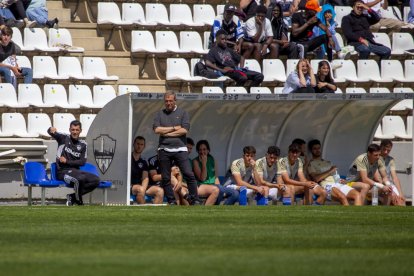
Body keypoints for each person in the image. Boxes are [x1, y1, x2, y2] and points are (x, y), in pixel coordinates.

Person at [153, 91, 201, 205]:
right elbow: (156, 130)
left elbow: (184, 130)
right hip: (164, 149)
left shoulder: (183, 113)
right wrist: (174, 128)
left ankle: (195, 199)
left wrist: (166, 133)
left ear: (175, 101)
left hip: (180, 148)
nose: (168, 103)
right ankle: (171, 200)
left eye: (170, 100)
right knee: (165, 177)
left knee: (188, 174)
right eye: (166, 101)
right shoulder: (159, 114)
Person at [47, 120, 100, 206]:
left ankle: (73, 197)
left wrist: (67, 161)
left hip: (76, 172)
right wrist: (50, 129)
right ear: (69, 130)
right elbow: (50, 132)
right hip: (62, 172)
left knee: (96, 180)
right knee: (80, 179)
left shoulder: (83, 145)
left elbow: (82, 162)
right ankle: (79, 202)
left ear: (80, 131)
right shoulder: (63, 138)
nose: (74, 132)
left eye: (77, 130)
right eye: (73, 130)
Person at [307, 139, 362, 205]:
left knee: (357, 195)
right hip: (326, 185)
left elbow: (335, 175)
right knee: (342, 197)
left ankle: (357, 215)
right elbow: (316, 179)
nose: (317, 150)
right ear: (311, 150)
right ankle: (349, 214)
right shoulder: (311, 164)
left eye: (318, 148)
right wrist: (330, 170)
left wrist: (341, 180)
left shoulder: (328, 162)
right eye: (315, 149)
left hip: (337, 183)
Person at [192, 140, 239, 205]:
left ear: (208, 150)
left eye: (204, 149)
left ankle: (223, 208)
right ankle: (216, 205)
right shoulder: (195, 161)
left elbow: (216, 177)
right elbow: (202, 178)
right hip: (203, 185)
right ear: (197, 151)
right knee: (220, 190)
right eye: (200, 150)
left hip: (214, 184)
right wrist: (204, 164)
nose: (202, 152)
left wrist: (220, 186)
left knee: (235, 193)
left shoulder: (212, 159)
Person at [130, 136, 164, 204]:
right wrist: (142, 189)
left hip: (141, 187)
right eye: (137, 144)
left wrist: (143, 188)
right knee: (140, 189)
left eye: (141, 144)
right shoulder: (128, 158)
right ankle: (143, 213)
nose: (139, 146)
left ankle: (154, 213)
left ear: (144, 146)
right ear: (133, 144)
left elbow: (145, 178)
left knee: (160, 191)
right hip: (129, 186)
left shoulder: (143, 162)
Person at [379, 139, 406, 206]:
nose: (386, 152)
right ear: (380, 147)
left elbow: (395, 178)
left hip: (388, 184)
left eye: (388, 150)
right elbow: (379, 178)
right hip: (378, 184)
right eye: (384, 149)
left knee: (401, 201)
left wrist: (400, 193)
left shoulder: (391, 160)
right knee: (392, 197)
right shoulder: (376, 158)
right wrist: (392, 192)